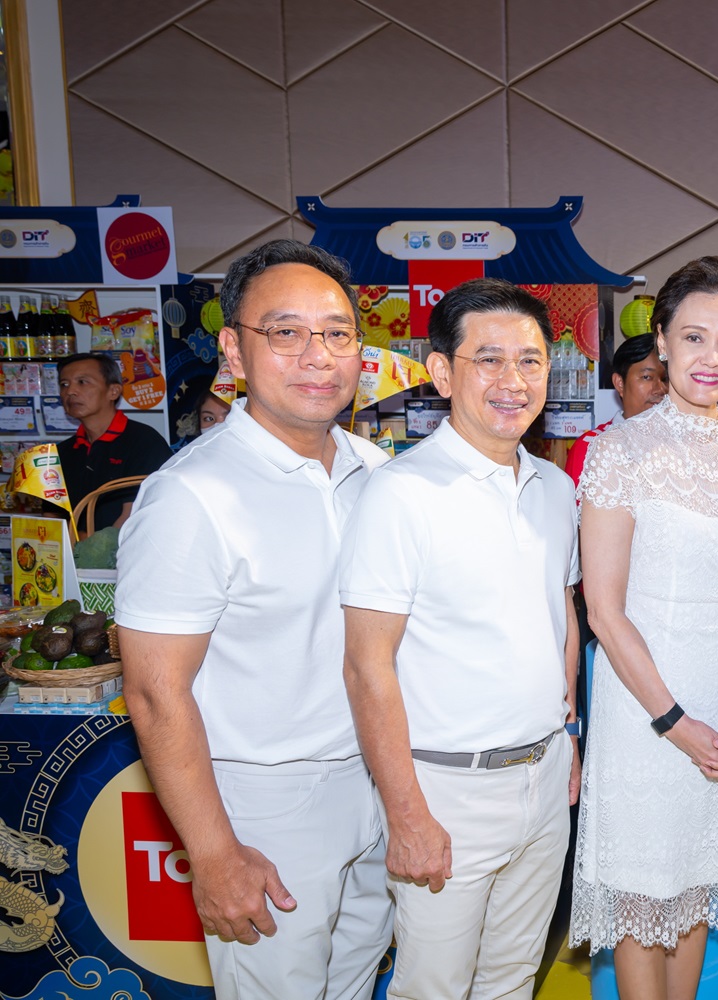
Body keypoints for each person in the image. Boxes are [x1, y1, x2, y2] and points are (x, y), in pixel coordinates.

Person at [115, 239, 392, 998]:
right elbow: (155, 692)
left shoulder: (376, 474)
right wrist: (213, 852)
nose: (317, 355)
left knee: (354, 985)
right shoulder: (192, 495)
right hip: (266, 803)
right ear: (234, 351)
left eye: (336, 333)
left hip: (376, 782)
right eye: (286, 332)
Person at [340, 278, 580, 1000]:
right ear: (442, 372)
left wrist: (567, 731)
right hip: (446, 789)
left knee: (512, 979)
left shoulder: (554, 487)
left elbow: (561, 613)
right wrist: (407, 811)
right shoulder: (402, 492)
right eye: (490, 359)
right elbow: (367, 665)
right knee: (433, 987)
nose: (514, 381)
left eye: (531, 361)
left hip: (544, 777)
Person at [570, 256, 718, 999]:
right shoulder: (620, 452)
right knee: (644, 899)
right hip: (647, 707)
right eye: (694, 337)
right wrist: (674, 721)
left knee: (699, 883)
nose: (712, 357)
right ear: (662, 341)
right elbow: (603, 609)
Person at [58, 351, 172, 526]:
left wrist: (86, 542)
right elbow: (53, 515)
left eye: (82, 382)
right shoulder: (61, 452)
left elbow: (133, 516)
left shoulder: (144, 442)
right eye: (64, 384)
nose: (70, 391)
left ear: (113, 391)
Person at [565, 331, 669, 485]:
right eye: (647, 377)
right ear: (620, 383)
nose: (660, 389)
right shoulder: (590, 447)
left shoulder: (683, 445)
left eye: (665, 379)